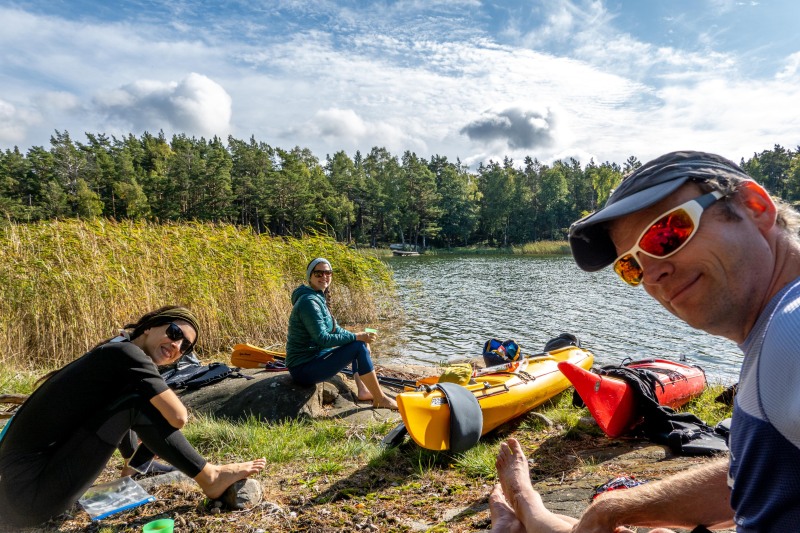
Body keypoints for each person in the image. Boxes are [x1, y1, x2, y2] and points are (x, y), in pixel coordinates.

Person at [491, 151, 800, 532]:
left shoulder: (793, 325)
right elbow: (757, 476)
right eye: (631, 265)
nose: (651, 275)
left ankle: (526, 513)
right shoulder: (774, 337)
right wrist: (614, 509)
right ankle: (532, 513)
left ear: (755, 207)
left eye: (667, 234)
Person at [0, 306, 266, 528]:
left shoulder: (117, 350)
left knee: (136, 399)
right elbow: (179, 417)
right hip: (29, 497)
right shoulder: (128, 354)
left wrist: (134, 463)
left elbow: (117, 412)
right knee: (141, 403)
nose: (176, 345)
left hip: (19, 492)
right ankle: (210, 476)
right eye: (174, 333)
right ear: (149, 327)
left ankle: (137, 466)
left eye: (185, 346)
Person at [286, 257, 397, 410]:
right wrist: (357, 337)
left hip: (315, 360)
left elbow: (335, 329)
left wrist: (359, 336)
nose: (324, 276)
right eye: (318, 273)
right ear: (310, 276)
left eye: (328, 273)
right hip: (303, 369)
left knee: (359, 343)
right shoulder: (308, 302)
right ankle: (380, 398)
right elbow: (323, 339)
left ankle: (363, 390)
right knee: (358, 346)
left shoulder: (318, 297)